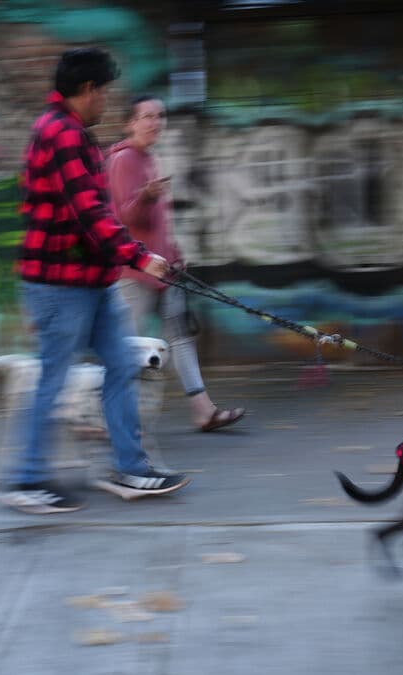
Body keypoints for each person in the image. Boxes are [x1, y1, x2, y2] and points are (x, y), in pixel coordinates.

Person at [0, 48, 190, 515]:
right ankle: (25, 480)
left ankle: (130, 468)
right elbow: (92, 216)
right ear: (87, 90)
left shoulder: (71, 132)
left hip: (91, 280)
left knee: (121, 366)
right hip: (58, 283)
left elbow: (93, 217)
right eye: (104, 91)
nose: (107, 100)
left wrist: (132, 260)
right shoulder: (59, 134)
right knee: (53, 379)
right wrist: (142, 259)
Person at [107, 95, 245, 432]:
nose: (155, 122)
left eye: (160, 116)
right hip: (134, 273)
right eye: (147, 117)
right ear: (130, 123)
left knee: (181, 339)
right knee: (127, 349)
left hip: (165, 271)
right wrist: (147, 196)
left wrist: (176, 255)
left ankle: (203, 410)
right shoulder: (124, 159)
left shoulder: (149, 160)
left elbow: (158, 224)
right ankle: (108, 418)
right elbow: (123, 216)